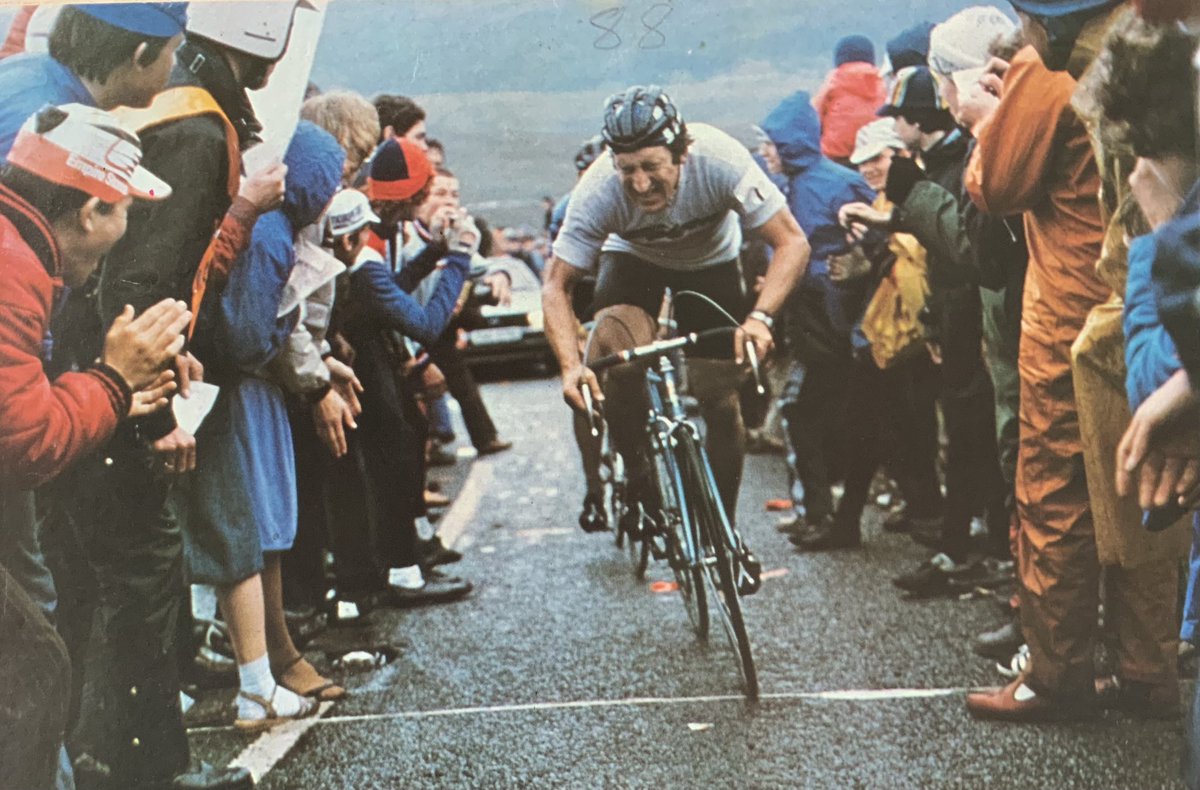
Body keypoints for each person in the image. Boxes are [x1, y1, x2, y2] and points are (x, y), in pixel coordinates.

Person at [43, 3, 306, 785]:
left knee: (90, 577)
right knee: (143, 569)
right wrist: (151, 414)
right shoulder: (198, 130)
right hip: (108, 385)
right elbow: (145, 282)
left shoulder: (171, 104)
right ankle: (149, 771)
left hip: (81, 372)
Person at [0, 103, 186, 790]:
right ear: (89, 212)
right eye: (122, 213)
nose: (123, 233)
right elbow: (24, 442)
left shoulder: (17, 245)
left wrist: (108, 391)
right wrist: (111, 382)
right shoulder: (12, 267)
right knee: (33, 666)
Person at [543, 84, 809, 551]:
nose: (640, 184)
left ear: (682, 154)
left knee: (716, 394)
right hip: (632, 262)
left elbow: (792, 241)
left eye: (651, 167)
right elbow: (555, 285)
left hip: (712, 267)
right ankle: (640, 479)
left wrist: (761, 318)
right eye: (628, 170)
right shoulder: (598, 191)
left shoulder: (720, 159)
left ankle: (720, 531)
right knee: (619, 361)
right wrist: (571, 366)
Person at [959, 0, 1120, 721]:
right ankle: (1149, 670)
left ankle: (1053, 677)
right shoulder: (1155, 47)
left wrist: (988, 114)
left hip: (1071, 301)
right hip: (1140, 292)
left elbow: (996, 185)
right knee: (1143, 484)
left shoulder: (1048, 66)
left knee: (1054, 480)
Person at [187, 121, 347, 729]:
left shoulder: (273, 226)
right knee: (261, 527)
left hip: (250, 389)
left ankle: (269, 656)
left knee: (258, 525)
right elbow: (254, 334)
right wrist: (291, 344)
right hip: (250, 392)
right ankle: (272, 662)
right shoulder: (274, 233)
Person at [755, 90, 877, 550]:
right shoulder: (789, 186)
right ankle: (820, 512)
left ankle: (824, 514)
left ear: (789, 145)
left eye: (772, 143)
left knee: (802, 408)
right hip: (811, 315)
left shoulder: (835, 184)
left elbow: (879, 234)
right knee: (812, 409)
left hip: (838, 317)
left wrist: (856, 263)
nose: (766, 152)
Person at [813, 35, 887, 167]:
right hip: (875, 152)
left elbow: (813, 116)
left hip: (836, 157)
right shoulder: (881, 82)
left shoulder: (834, 80)